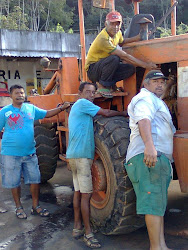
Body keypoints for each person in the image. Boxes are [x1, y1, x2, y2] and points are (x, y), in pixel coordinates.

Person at [66, 81, 127, 249]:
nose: (91, 95)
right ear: (80, 93)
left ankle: (77, 227)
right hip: (82, 157)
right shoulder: (83, 103)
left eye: (93, 92)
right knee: (86, 196)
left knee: (78, 193)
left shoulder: (79, 107)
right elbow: (106, 113)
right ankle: (88, 233)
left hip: (74, 156)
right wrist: (123, 113)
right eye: (87, 92)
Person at [0, 84, 70, 219]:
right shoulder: (4, 112)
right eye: (17, 93)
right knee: (14, 182)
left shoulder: (30, 108)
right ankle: (19, 208)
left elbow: (47, 113)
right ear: (11, 96)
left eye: (21, 93)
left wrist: (61, 108)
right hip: (10, 154)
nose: (20, 95)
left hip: (30, 153)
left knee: (35, 180)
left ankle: (35, 206)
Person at [125, 70, 176, 250]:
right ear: (145, 84)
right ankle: (156, 248)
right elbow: (144, 120)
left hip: (157, 157)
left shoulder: (156, 101)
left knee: (157, 206)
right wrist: (149, 146)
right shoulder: (144, 98)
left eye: (162, 82)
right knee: (153, 206)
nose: (160, 84)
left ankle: (161, 246)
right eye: (155, 81)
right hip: (148, 157)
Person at [85, 11, 157, 98]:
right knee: (115, 58)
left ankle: (110, 85)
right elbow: (123, 55)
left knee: (130, 69)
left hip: (104, 67)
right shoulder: (103, 39)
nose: (115, 27)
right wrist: (145, 65)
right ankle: (101, 85)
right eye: (112, 24)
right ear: (106, 24)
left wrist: (138, 37)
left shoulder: (117, 32)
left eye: (117, 24)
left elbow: (122, 42)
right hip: (93, 69)